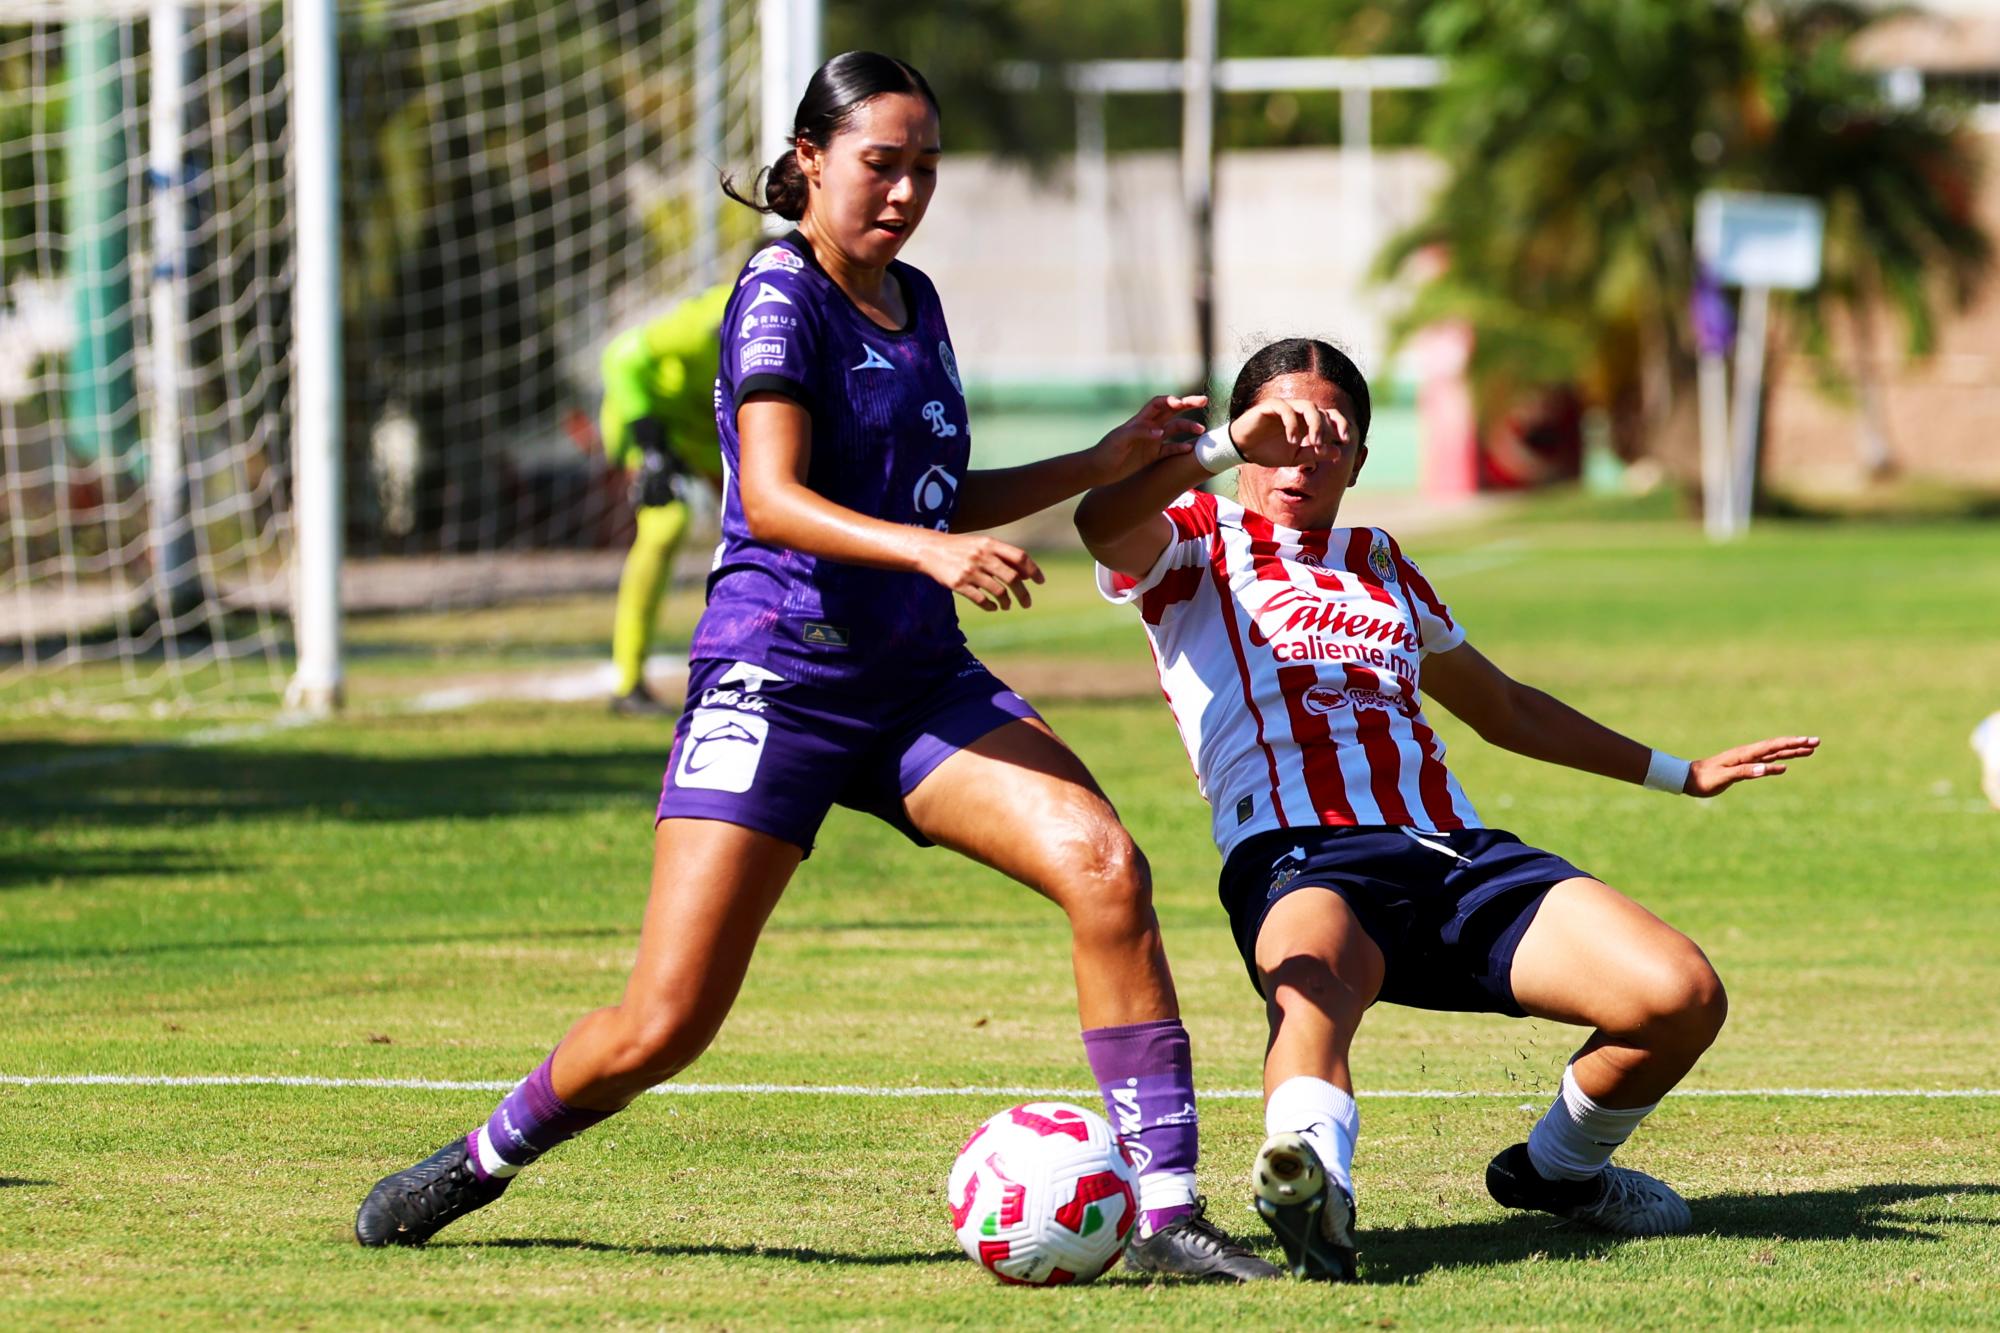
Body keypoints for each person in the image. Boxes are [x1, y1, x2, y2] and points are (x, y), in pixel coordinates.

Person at [354, 51, 1277, 1281]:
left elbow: (942, 491)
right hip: (777, 679)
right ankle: (479, 1159)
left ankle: (1166, 1218)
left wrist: (1096, 462)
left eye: (924, 170)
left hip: (915, 685)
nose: (902, 193)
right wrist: (930, 550)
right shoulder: (778, 293)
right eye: (879, 165)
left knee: (1105, 867)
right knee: (663, 1024)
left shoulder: (920, 300)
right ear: (809, 163)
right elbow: (778, 499)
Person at [1074, 337, 1819, 1281]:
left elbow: (1503, 707)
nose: (1303, 453)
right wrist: (1225, 444)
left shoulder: (1383, 561)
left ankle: (1558, 1171)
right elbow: (1102, 520)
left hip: (1456, 852)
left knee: (1679, 995)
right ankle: (1314, 1189)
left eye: (1329, 434)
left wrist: (1682, 770)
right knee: (1314, 983)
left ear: (1360, 457)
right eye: (1284, 430)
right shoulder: (1193, 536)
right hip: (1300, 853)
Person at [599, 283, 732, 716]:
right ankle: (627, 682)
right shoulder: (711, 321)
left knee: (763, 528)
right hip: (655, 422)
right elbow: (621, 357)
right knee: (666, 525)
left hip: (707, 431)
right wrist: (649, 442)